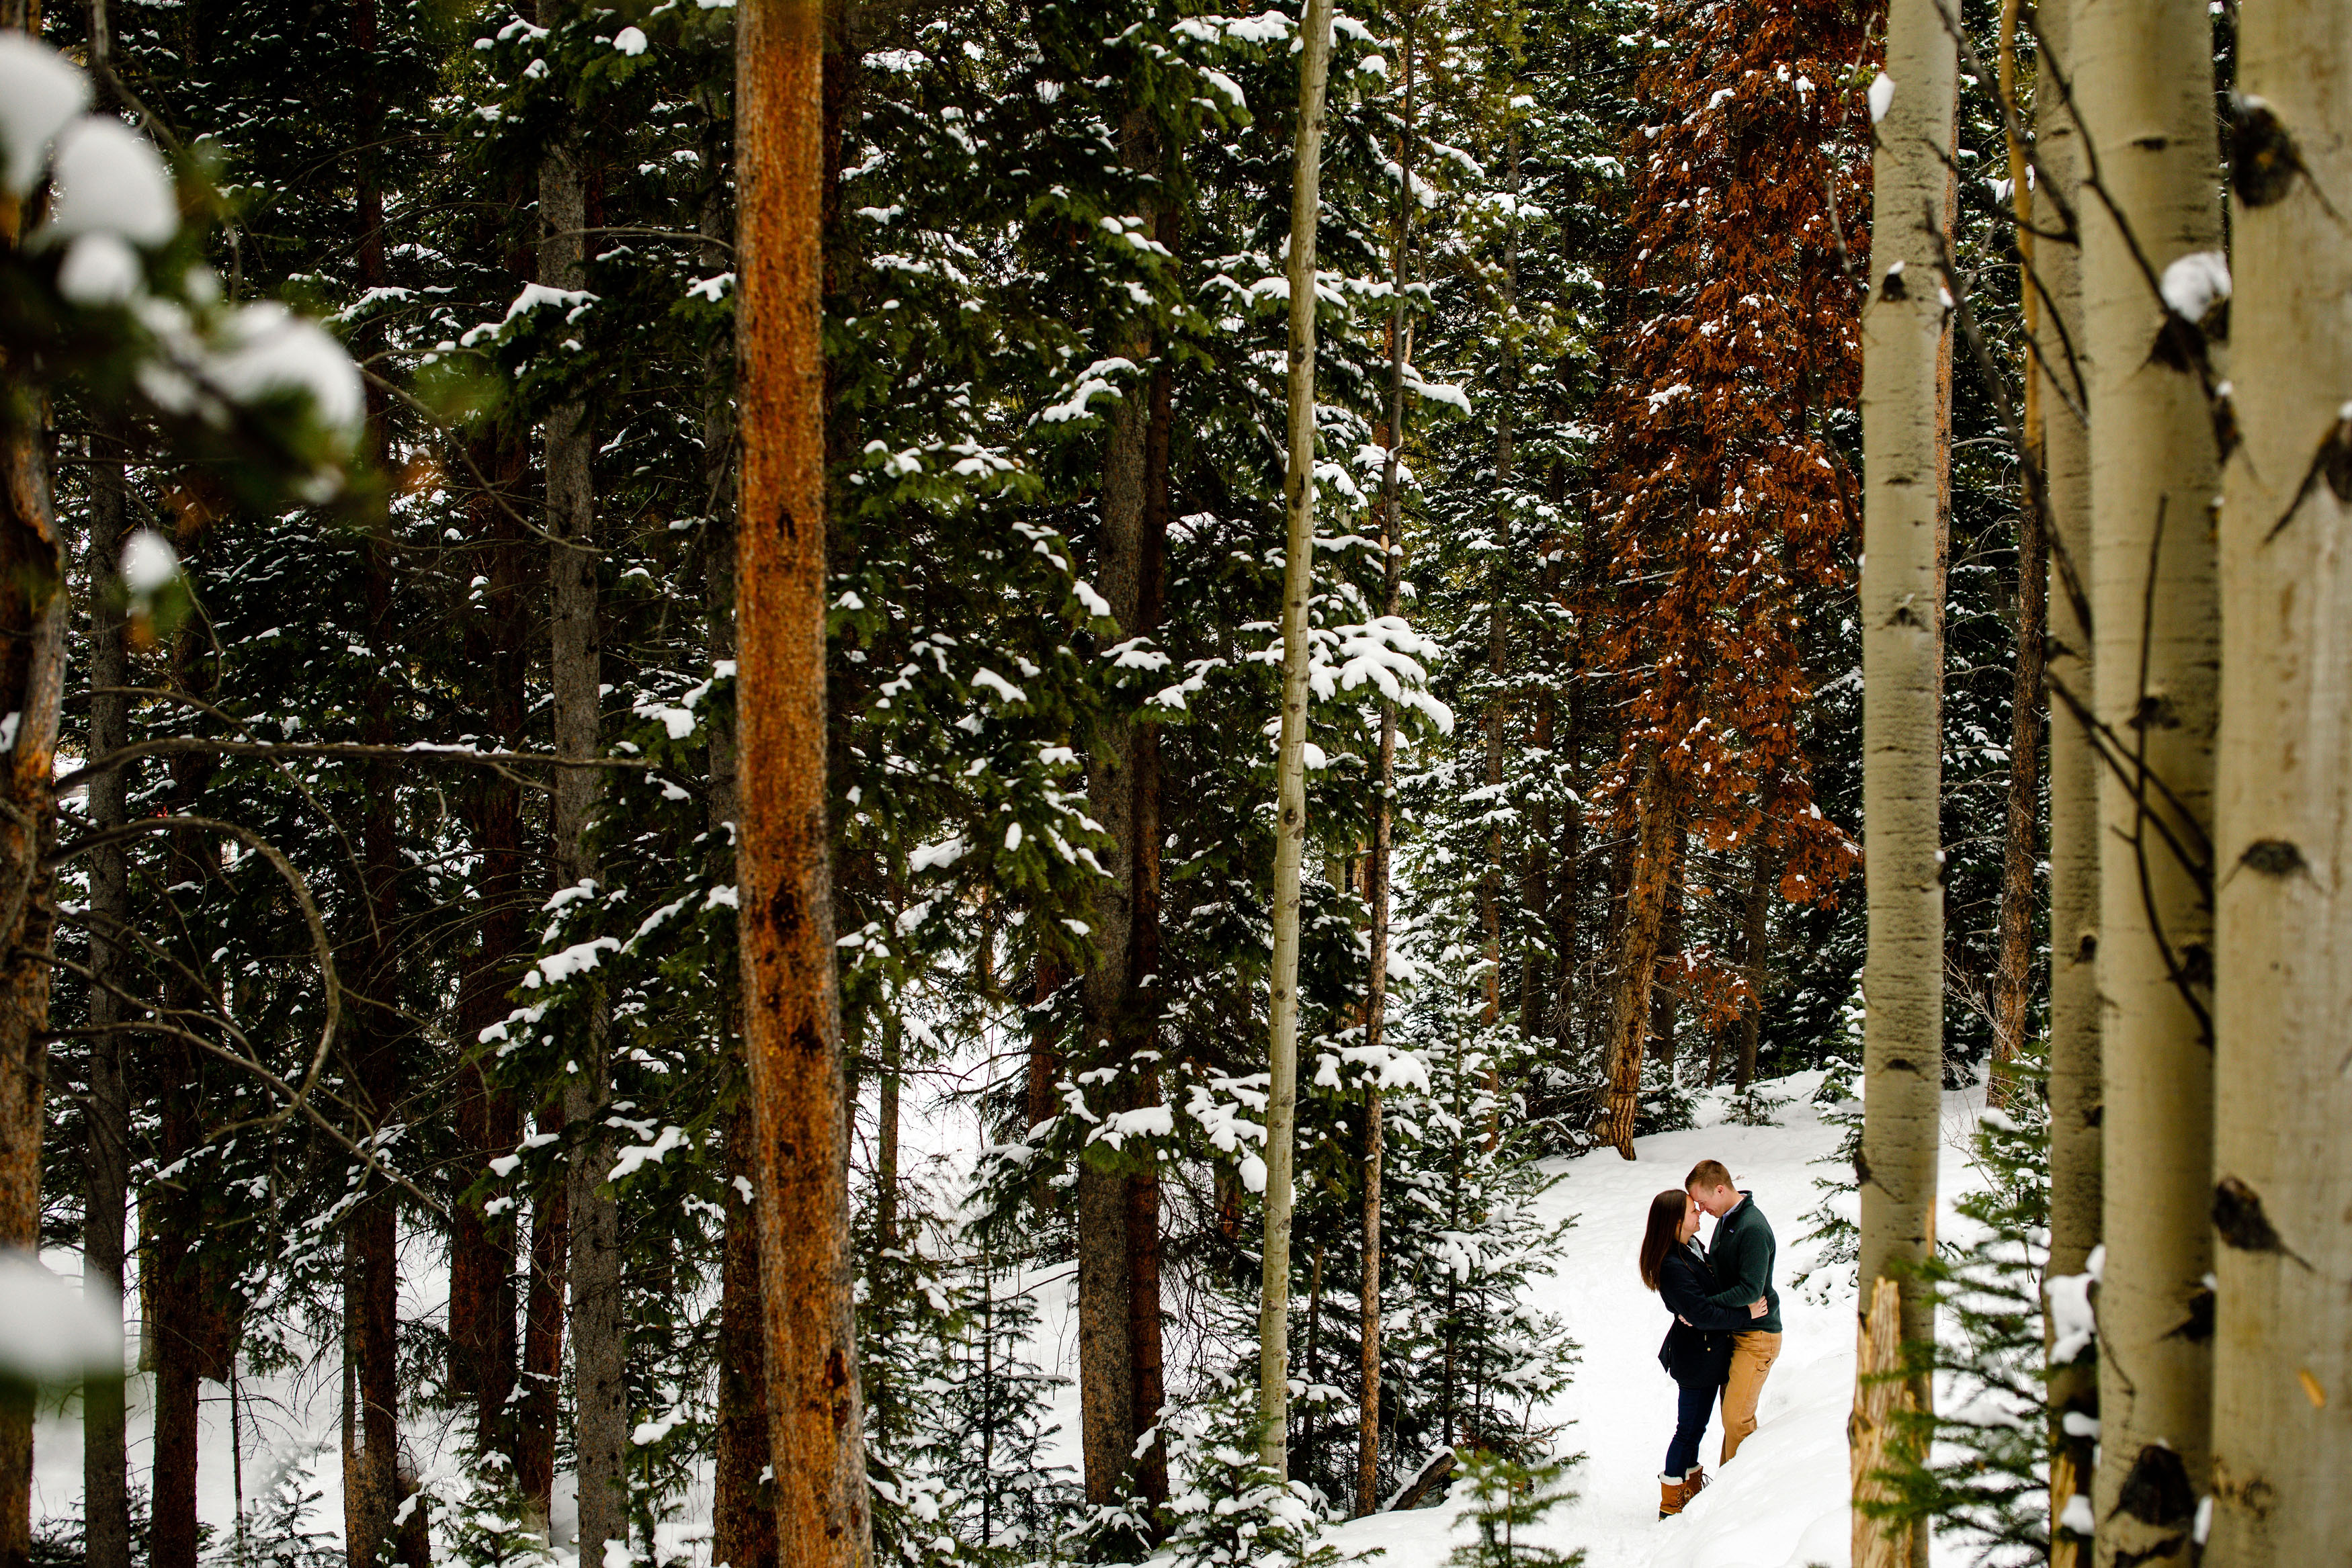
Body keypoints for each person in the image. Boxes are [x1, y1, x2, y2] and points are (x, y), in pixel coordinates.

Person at [1638, 1188, 1767, 1519]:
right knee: (1689, 1429)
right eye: (1692, 1210)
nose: (1699, 1212)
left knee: (1697, 1427)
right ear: (1676, 1221)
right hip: (1696, 1360)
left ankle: (1691, 1487)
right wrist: (1745, 1315)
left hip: (1707, 1355)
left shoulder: (1690, 1249)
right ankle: (1671, 1503)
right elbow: (1702, 1313)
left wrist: (1695, 1310)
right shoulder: (1672, 1263)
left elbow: (1702, 1303)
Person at [1687, 1158, 1781, 1465]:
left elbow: (1750, 1291)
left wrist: (1703, 1308)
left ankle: (1752, 1490)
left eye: (1702, 1202)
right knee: (1732, 1418)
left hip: (1758, 1336)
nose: (1701, 1209)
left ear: (1719, 1189)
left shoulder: (1751, 1227)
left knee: (1737, 1420)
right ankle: (1729, 1497)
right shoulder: (1728, 1221)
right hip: (1738, 1331)